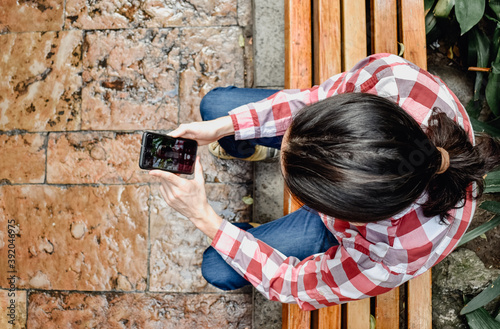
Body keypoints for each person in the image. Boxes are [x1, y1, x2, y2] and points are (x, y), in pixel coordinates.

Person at [149, 53, 500, 310]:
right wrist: (224, 127)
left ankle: (254, 234)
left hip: (355, 234)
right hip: (362, 195)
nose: (284, 144)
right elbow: (312, 100)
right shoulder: (392, 80)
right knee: (217, 109)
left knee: (218, 266)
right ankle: (254, 212)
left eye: (295, 183)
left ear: (348, 216)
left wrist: (203, 218)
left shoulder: (389, 255)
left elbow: (292, 283)